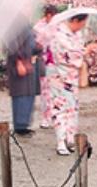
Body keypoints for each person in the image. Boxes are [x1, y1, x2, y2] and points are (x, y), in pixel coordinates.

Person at [45, 12, 90, 155]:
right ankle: (60, 142)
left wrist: (83, 51)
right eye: (82, 23)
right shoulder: (59, 34)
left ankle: (70, 139)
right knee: (60, 108)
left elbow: (77, 51)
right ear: (75, 20)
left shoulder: (75, 34)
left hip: (71, 77)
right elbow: (69, 55)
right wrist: (84, 51)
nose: (83, 26)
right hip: (59, 75)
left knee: (72, 108)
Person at [7, 24, 41, 136]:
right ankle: (20, 126)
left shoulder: (27, 26)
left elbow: (31, 45)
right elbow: (13, 46)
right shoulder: (15, 26)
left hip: (29, 62)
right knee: (21, 95)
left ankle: (24, 124)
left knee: (29, 94)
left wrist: (38, 47)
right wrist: (18, 62)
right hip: (20, 63)